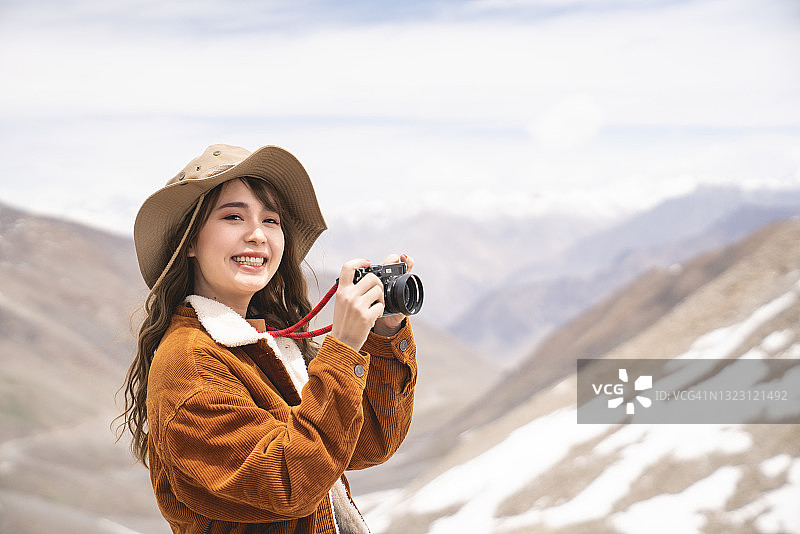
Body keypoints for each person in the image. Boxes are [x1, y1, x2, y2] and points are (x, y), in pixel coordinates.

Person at [119, 144, 417, 533]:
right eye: (233, 216)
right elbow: (290, 481)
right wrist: (342, 350)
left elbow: (370, 441)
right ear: (189, 242)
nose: (257, 235)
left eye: (271, 220)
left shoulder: (267, 347)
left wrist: (384, 331)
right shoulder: (189, 364)